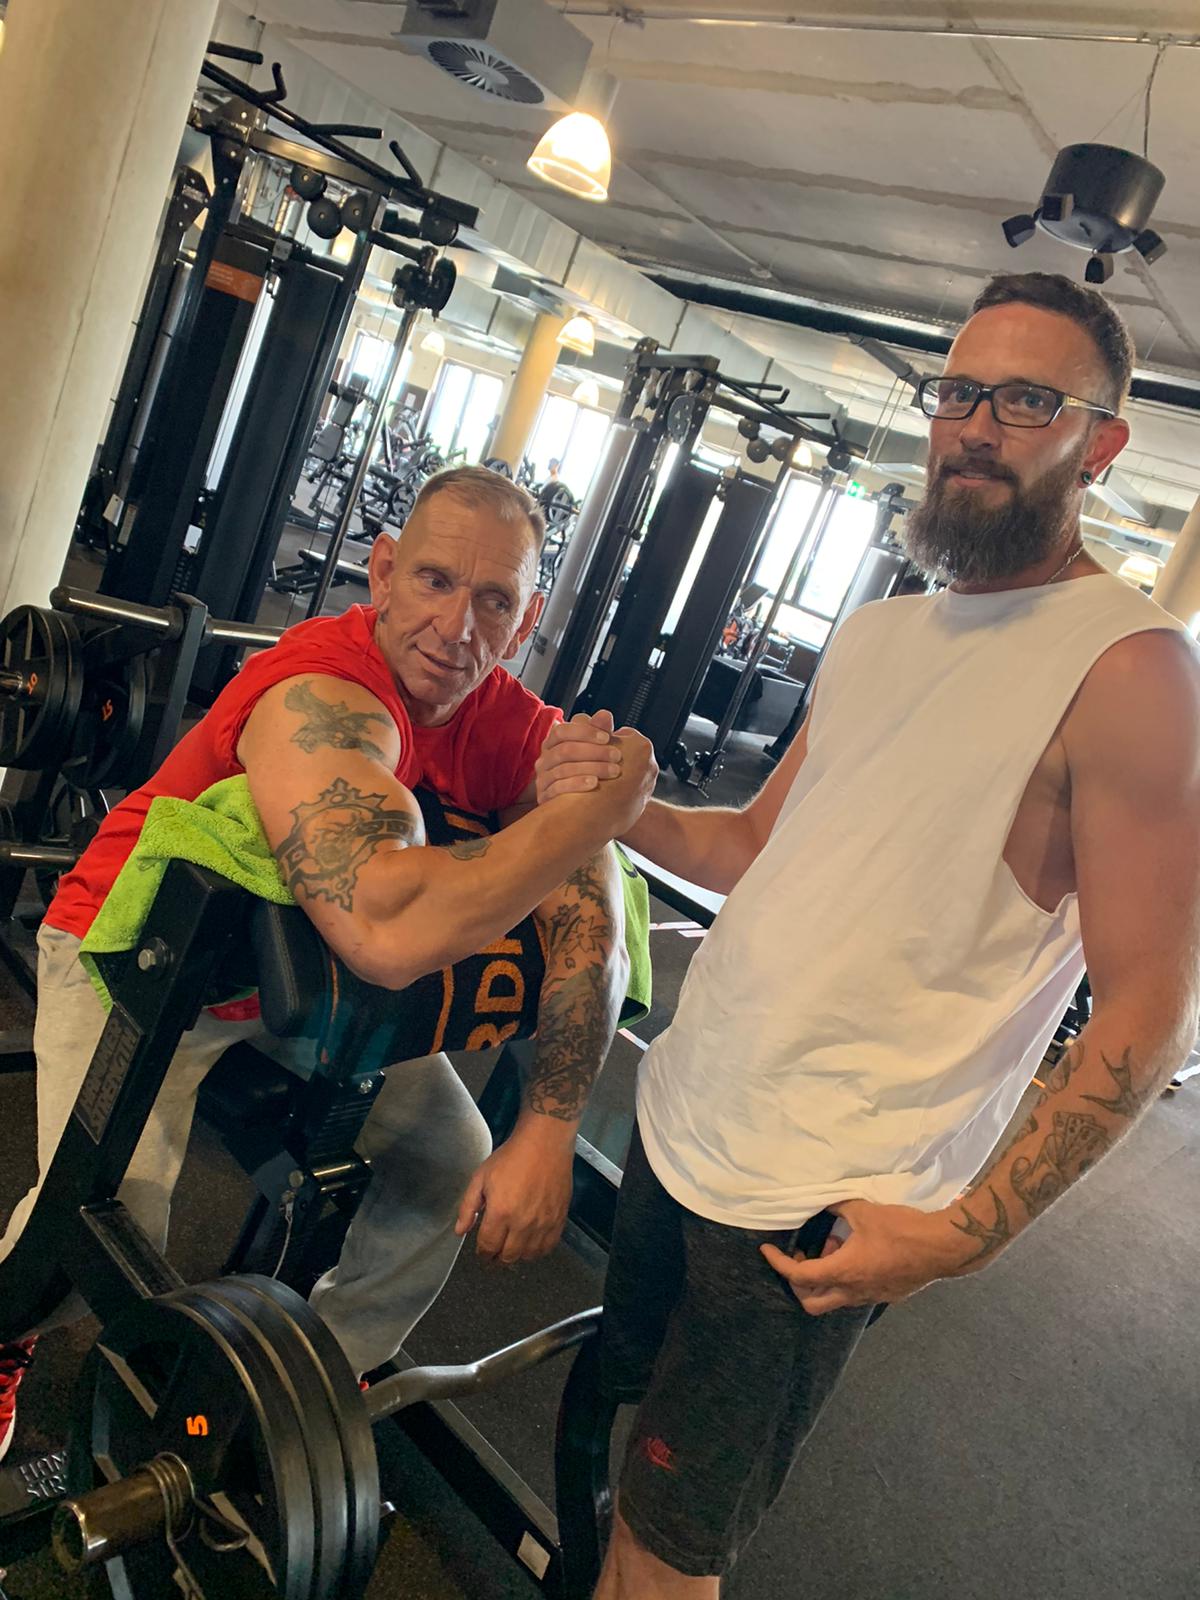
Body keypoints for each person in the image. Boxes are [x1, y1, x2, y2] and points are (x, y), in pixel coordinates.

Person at [537, 271, 1200, 1597]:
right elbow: (749, 846)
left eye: (1028, 401)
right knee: (612, 1434)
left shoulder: (1132, 670)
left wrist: (964, 1235)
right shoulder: (879, 630)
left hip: (811, 1204)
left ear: (1102, 444)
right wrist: (624, 808)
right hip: (686, 1112)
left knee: (664, 1561)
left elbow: (1144, 1010)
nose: (977, 426)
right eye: (961, 392)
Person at [0, 466, 657, 1462]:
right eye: (434, 580)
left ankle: (310, 1388)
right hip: (138, 961)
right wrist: (589, 818)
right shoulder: (321, 693)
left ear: (525, 622)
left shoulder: (510, 724)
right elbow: (385, 928)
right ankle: (7, 1328)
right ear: (383, 571)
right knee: (109, 1213)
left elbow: (595, 915)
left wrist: (551, 1126)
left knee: (451, 1158)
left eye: (493, 601)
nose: (456, 627)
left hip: (297, 992)